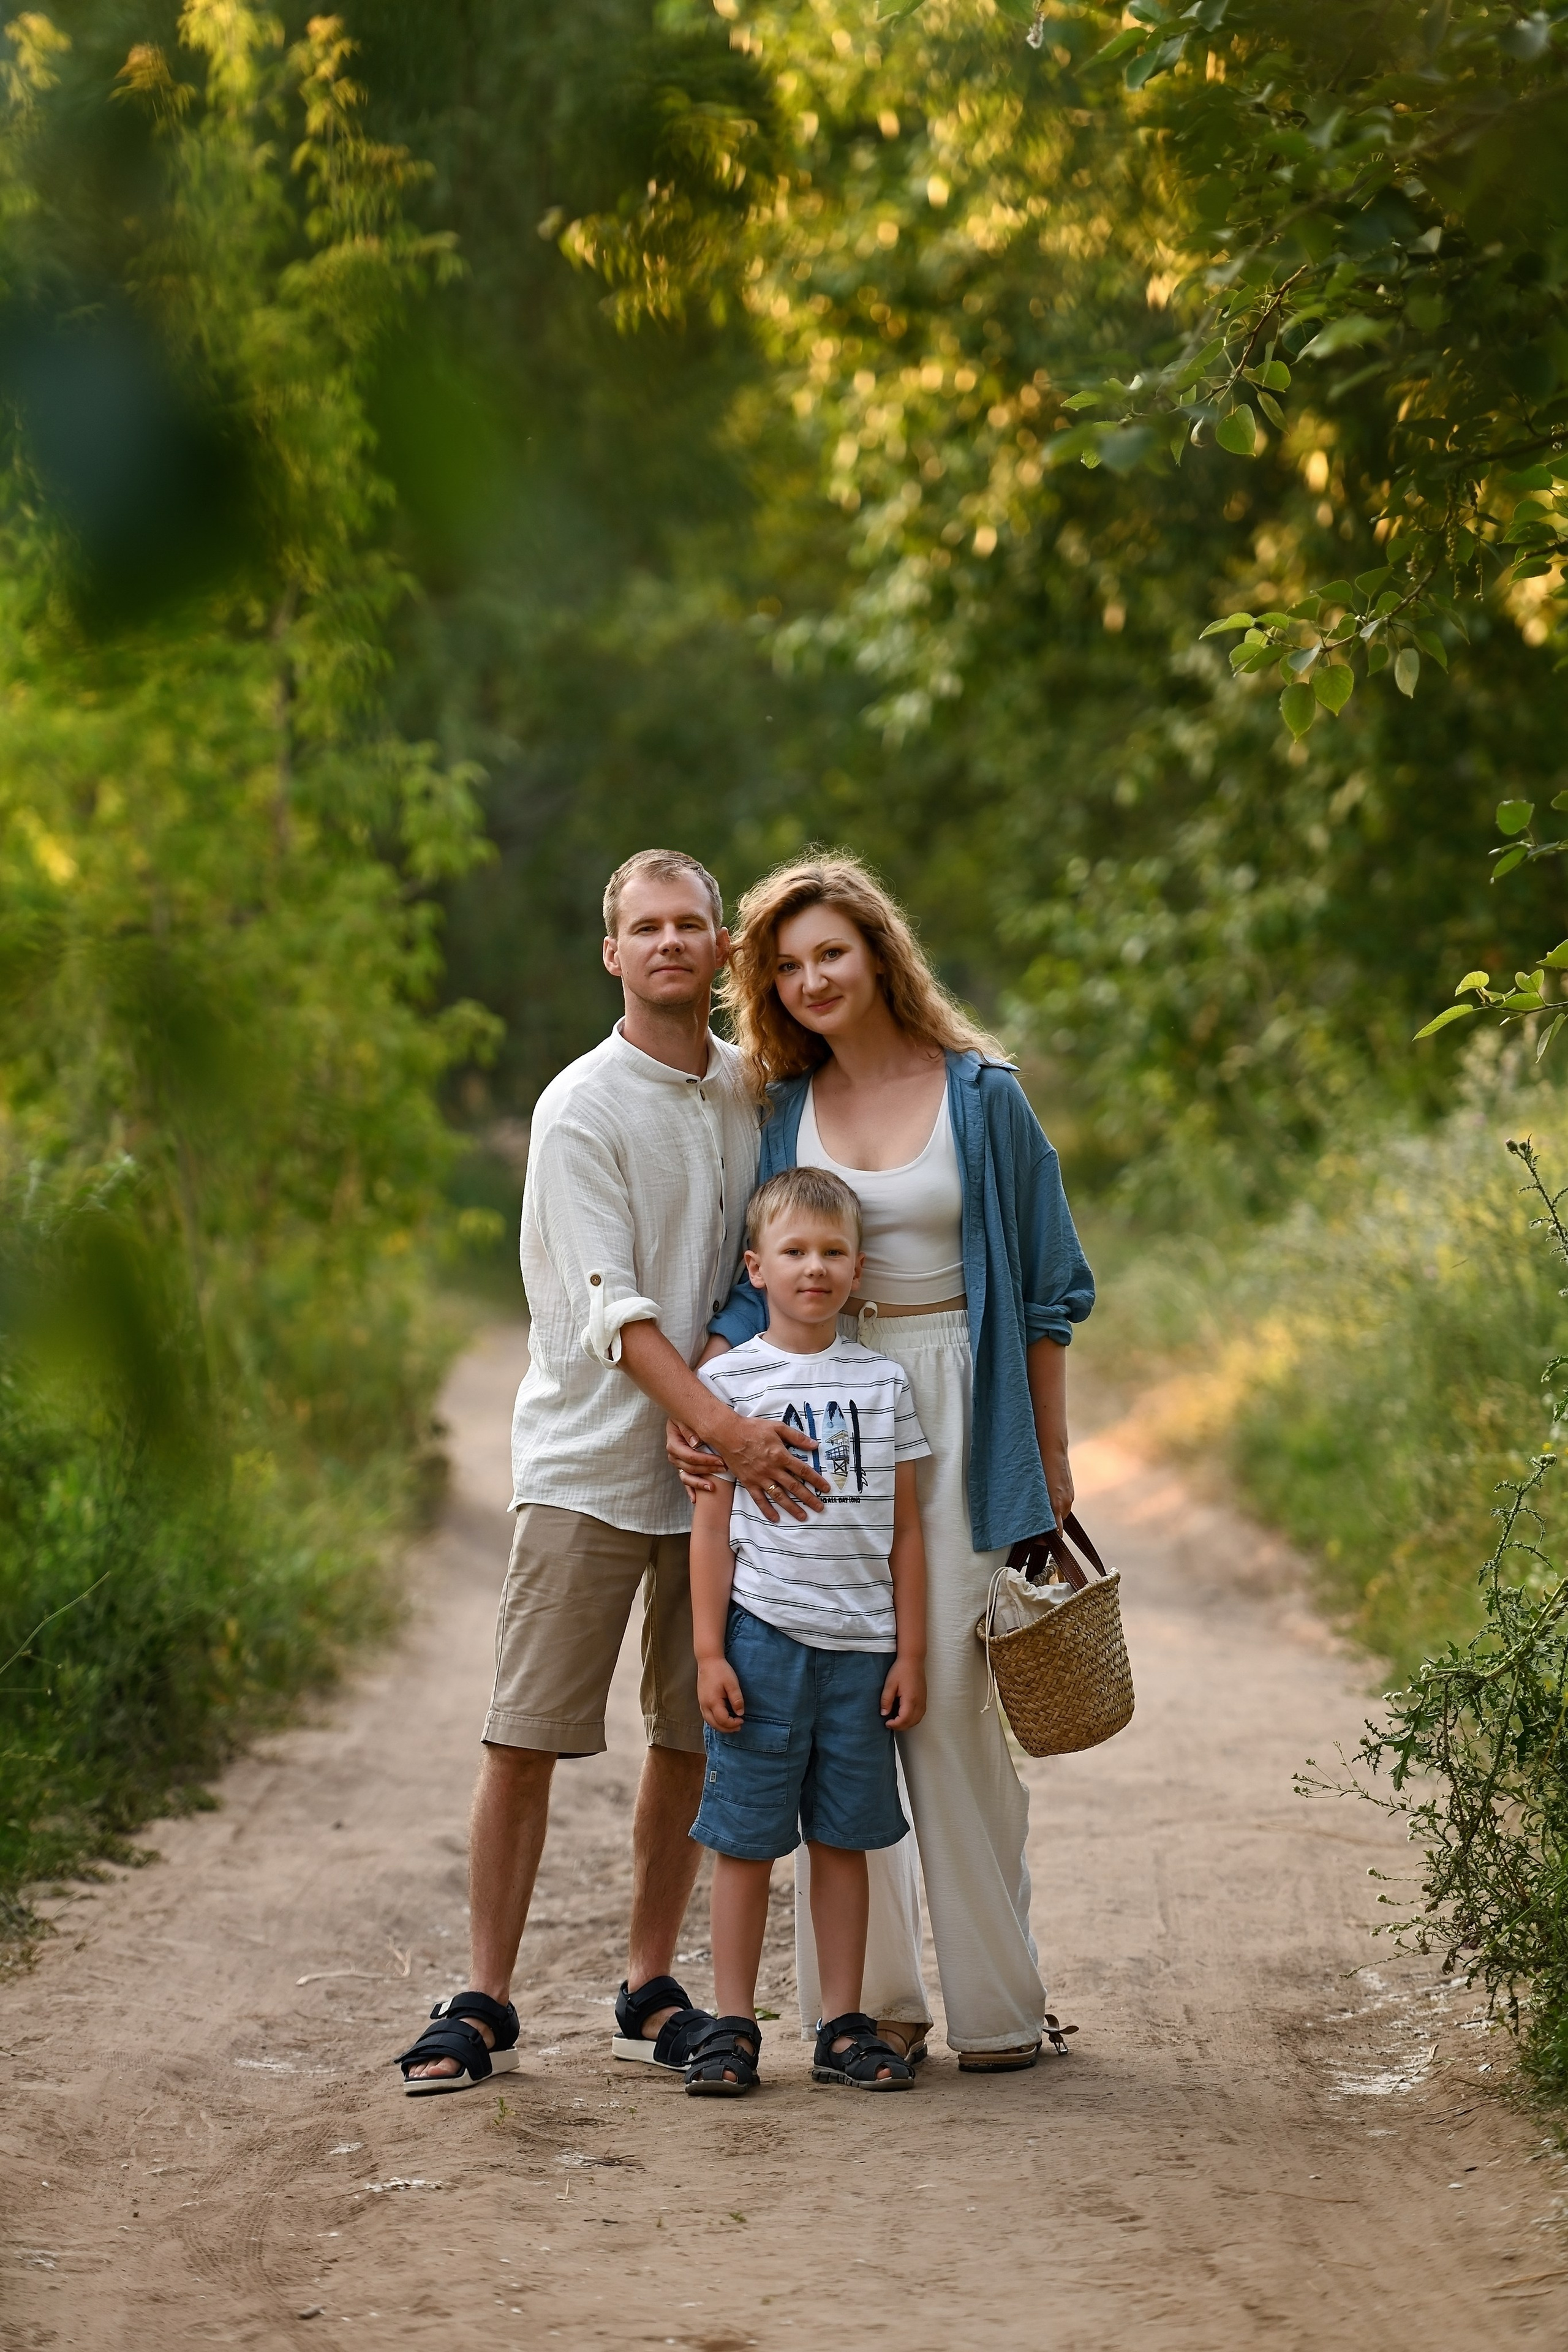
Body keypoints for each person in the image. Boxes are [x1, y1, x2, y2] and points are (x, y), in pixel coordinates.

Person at [398, 848, 829, 2095]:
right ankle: (484, 1996)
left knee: (692, 1730)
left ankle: (650, 1987)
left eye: (690, 923)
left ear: (720, 945)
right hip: (589, 1465)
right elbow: (612, 1309)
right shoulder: (580, 1106)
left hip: (713, 1480)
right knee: (525, 1732)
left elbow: (762, 1258)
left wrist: (724, 1413)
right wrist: (723, 1424)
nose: (669, 943)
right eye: (646, 927)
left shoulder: (754, 1090)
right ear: (612, 952)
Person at [672, 851, 1093, 2071]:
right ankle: (873, 2009)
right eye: (786, 965)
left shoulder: (982, 1095)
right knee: (849, 1696)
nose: (811, 979)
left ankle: (1000, 2005)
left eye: (831, 954)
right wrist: (706, 1408)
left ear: (877, 954)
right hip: (832, 1402)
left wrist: (1050, 1455)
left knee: (949, 1703)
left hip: (968, 1395)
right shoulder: (783, 1109)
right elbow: (760, 1276)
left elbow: (1050, 1290)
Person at [682, 1165, 928, 2098]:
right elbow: (711, 1530)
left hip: (862, 1650)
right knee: (746, 1839)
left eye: (833, 1252)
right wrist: (710, 1651)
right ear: (757, 1268)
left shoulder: (884, 1381)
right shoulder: (727, 1384)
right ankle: (732, 2025)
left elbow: (907, 1531)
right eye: (794, 1252)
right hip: (762, 1641)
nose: (814, 1268)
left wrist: (909, 1651)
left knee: (844, 1837)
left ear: (858, 1269)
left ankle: (842, 2025)